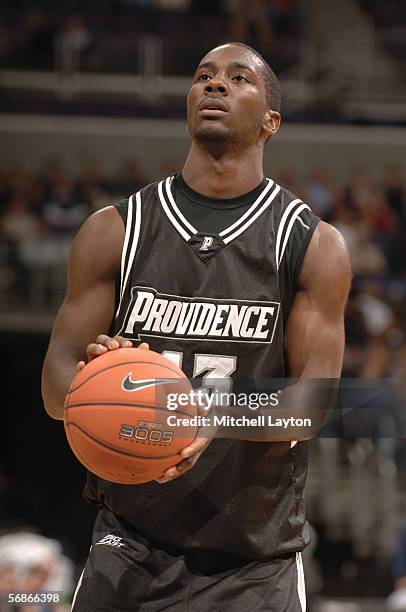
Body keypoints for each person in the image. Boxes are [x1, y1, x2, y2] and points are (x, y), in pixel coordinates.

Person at [42, 42, 351, 611]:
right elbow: (57, 390)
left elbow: (312, 403)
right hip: (128, 545)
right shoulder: (115, 230)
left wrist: (207, 414)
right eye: (204, 76)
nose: (215, 85)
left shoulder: (310, 245)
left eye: (239, 79)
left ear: (270, 121)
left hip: (254, 562)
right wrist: (96, 376)